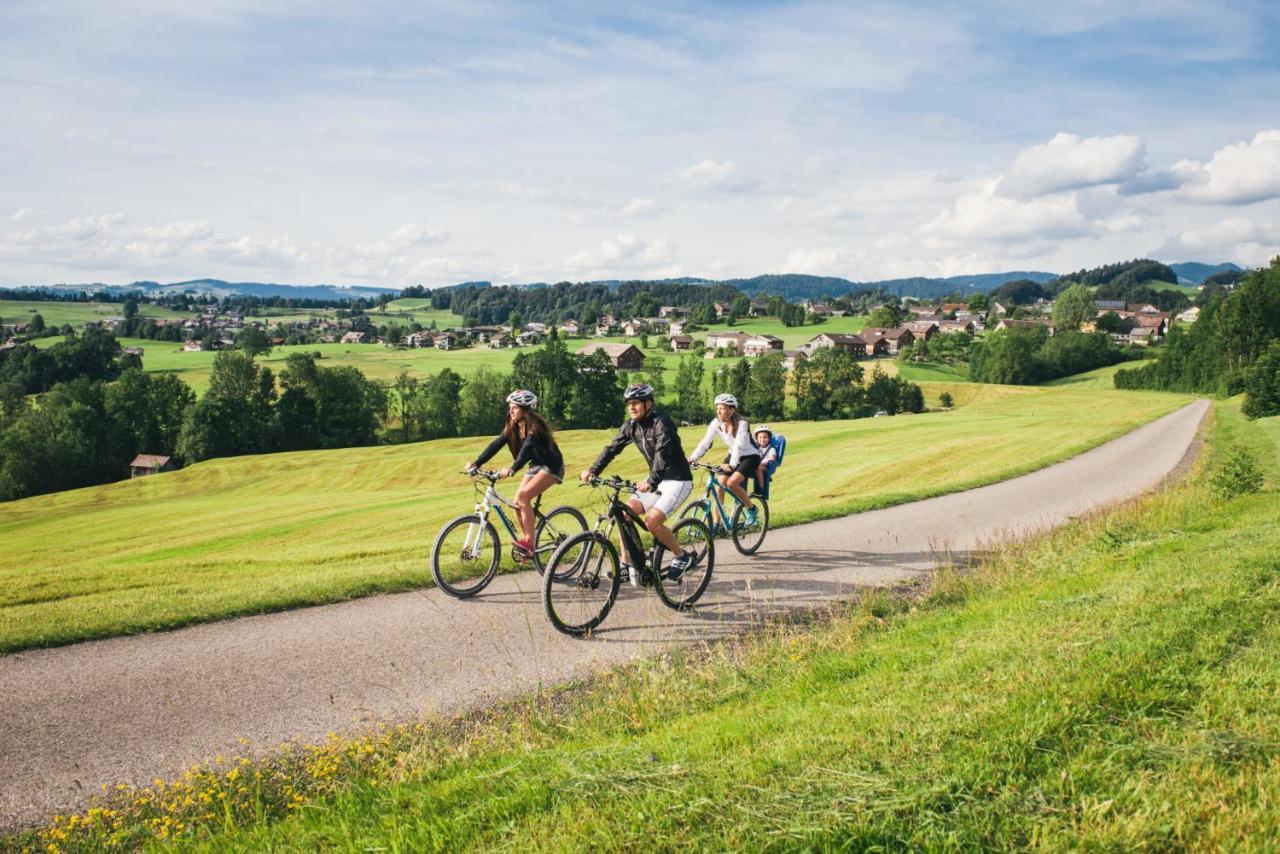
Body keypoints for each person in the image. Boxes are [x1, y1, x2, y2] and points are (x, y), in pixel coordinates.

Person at [581, 382, 697, 582]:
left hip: (677, 480)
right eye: (629, 404)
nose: (632, 407)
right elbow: (612, 448)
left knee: (652, 522)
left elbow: (663, 453)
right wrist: (593, 470)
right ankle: (627, 564)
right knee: (625, 514)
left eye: (636, 403)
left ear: (648, 403)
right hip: (656, 480)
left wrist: (651, 480)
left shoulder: (662, 423)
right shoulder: (631, 426)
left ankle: (681, 556)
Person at [466, 389, 564, 556]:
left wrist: (512, 469)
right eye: (510, 407)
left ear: (525, 410)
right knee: (517, 501)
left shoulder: (535, 427)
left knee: (524, 496)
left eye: (515, 408)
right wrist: (477, 463)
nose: (510, 411)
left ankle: (530, 544)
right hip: (536, 466)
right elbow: (496, 444)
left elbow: (526, 450)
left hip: (551, 466)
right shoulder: (513, 426)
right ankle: (526, 541)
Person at [688, 393, 761, 529]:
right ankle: (717, 524)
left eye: (722, 408)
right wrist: (692, 458)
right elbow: (705, 442)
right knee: (719, 485)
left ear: (731, 410)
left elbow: (739, 445)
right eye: (717, 408)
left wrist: (732, 465)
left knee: (732, 483)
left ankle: (751, 510)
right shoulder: (716, 423)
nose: (718, 411)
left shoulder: (742, 423)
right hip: (733, 454)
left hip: (750, 457)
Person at [752, 424, 778, 496]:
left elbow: (772, 459)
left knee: (758, 468)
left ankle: (761, 490)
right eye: (760, 437)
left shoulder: (771, 449)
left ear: (769, 438)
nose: (762, 439)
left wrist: (760, 463)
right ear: (757, 439)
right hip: (758, 466)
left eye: (765, 437)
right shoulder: (756, 448)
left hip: (768, 467)